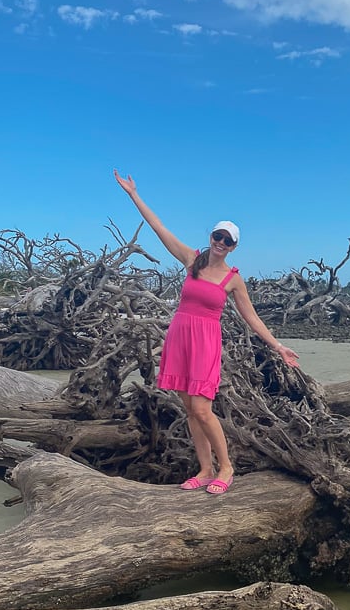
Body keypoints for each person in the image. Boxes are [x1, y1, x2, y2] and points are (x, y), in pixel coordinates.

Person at [114, 169, 299, 495]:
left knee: (202, 409)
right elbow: (159, 228)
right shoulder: (192, 260)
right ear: (211, 237)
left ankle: (226, 468)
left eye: (228, 240)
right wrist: (133, 194)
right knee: (189, 410)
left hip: (205, 343)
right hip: (180, 337)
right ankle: (204, 469)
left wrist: (278, 346)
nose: (221, 243)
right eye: (218, 236)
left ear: (233, 247)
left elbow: (252, 318)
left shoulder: (233, 280)